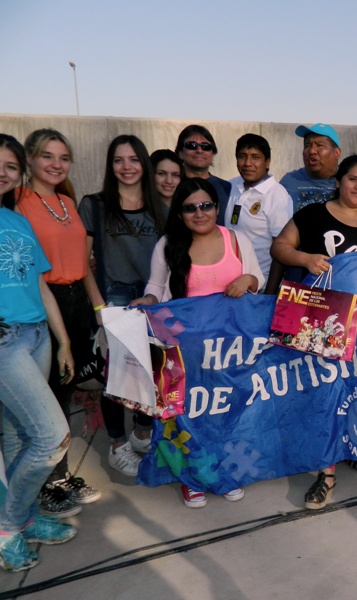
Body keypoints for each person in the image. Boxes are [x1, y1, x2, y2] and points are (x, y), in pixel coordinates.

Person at [271, 155, 357, 509]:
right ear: (339, 181)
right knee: (322, 391)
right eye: (352, 179)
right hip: (319, 320)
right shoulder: (312, 215)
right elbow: (279, 247)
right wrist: (305, 260)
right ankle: (326, 472)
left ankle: (356, 446)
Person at [131, 178, 264, 507]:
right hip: (184, 350)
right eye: (190, 208)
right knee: (187, 416)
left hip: (230, 349)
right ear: (179, 214)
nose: (199, 213)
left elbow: (257, 279)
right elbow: (155, 287)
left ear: (217, 209)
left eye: (206, 205)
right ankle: (191, 478)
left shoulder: (236, 239)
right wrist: (145, 300)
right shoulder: (167, 245)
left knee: (226, 412)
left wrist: (248, 280)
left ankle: (225, 472)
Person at [0, 134, 77, 572]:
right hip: (5, 341)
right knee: (51, 438)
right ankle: (8, 525)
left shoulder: (17, 220)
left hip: (36, 335)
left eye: (10, 166)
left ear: (19, 171)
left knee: (20, 437)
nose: (3, 173)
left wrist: (63, 340)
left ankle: (23, 518)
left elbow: (40, 283)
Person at [16, 129, 101, 515]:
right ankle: (43, 483)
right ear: (30, 159)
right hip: (41, 303)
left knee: (65, 390)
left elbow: (82, 264)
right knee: (42, 400)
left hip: (75, 302)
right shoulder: (17, 202)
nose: (56, 164)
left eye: (63, 157)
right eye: (47, 156)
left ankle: (59, 476)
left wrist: (96, 308)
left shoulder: (67, 201)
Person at [78, 134, 167, 477]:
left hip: (151, 297)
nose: (126, 167)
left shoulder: (161, 205)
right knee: (117, 374)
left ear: (143, 163)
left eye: (133, 159)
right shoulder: (95, 204)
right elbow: (82, 262)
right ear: (110, 165)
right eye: (119, 160)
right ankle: (117, 445)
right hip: (113, 297)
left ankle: (143, 433)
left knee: (152, 370)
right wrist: (99, 307)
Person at [224, 134, 292, 294]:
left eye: (255, 157)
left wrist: (269, 294)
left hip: (261, 288)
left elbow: (281, 248)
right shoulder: (230, 186)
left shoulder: (277, 195)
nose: (248, 163)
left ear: (267, 162)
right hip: (230, 285)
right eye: (242, 156)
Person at [280, 123, 341, 213]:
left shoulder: (347, 182)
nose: (312, 151)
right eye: (307, 146)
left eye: (320, 145)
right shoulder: (288, 181)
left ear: (337, 153)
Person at [175, 125, 231, 225]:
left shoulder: (227, 188)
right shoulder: (171, 185)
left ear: (213, 154)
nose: (199, 151)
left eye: (206, 147)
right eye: (192, 145)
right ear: (180, 153)